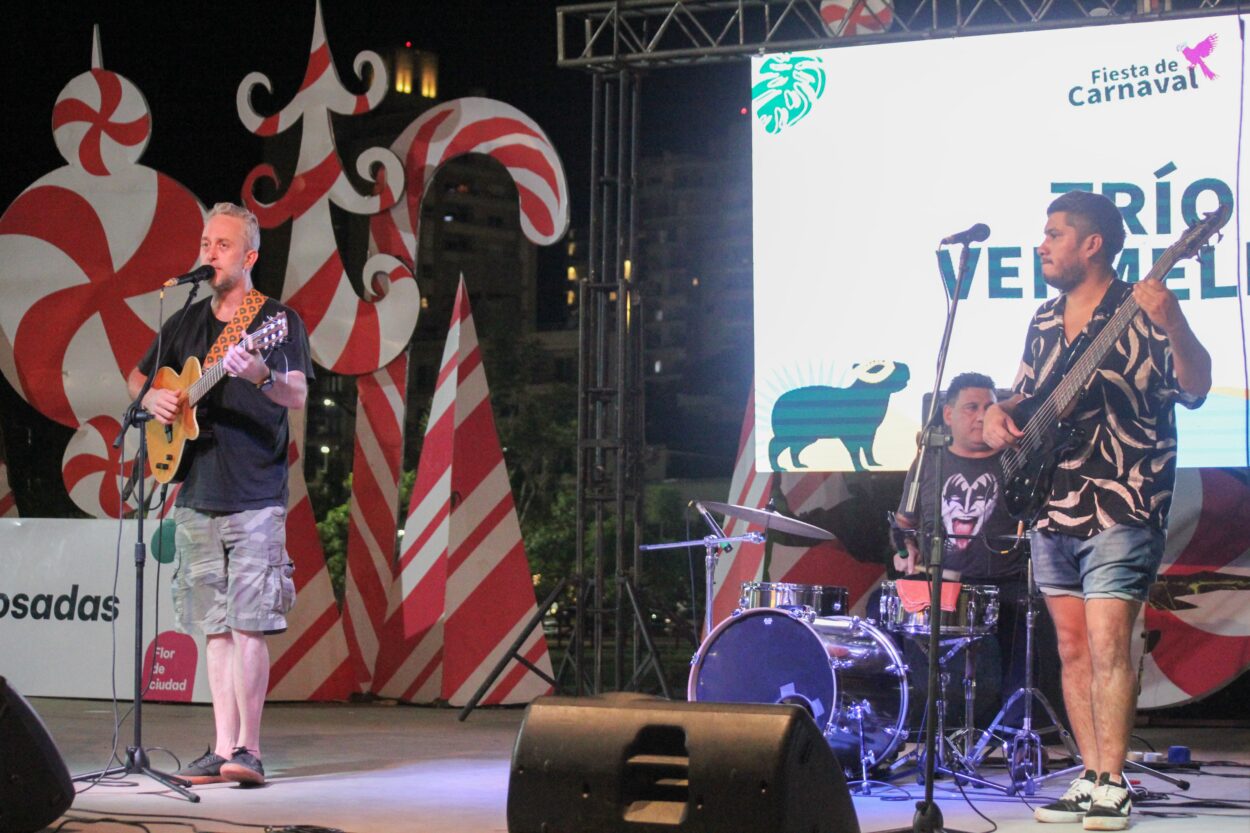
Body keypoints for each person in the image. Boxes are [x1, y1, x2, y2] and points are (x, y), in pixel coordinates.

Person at [984, 190, 1210, 830]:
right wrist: (1003, 412)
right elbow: (1027, 395)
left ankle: (1114, 781)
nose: (1041, 246)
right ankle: (1088, 775)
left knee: (1111, 639)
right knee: (1073, 645)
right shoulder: (1045, 319)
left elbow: (1195, 384)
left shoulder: (1143, 309)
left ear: (1093, 244)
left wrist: (1174, 322)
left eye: (1054, 235)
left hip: (1124, 496)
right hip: (1052, 500)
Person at [127, 202, 313, 787]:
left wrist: (260, 375)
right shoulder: (185, 320)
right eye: (206, 242)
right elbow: (138, 377)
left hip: (255, 490)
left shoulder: (277, 320)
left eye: (223, 245)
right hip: (196, 490)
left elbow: (297, 395)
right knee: (213, 626)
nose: (209, 253)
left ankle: (250, 751)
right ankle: (222, 745)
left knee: (249, 622)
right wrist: (151, 401)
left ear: (250, 256)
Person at [893, 372, 1063, 732]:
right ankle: (938, 731)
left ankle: (1020, 735)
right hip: (951, 586)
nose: (983, 416)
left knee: (1034, 630)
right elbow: (904, 522)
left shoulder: (1017, 459)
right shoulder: (928, 462)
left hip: (1011, 584)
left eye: (989, 407)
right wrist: (904, 547)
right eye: (972, 408)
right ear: (948, 415)